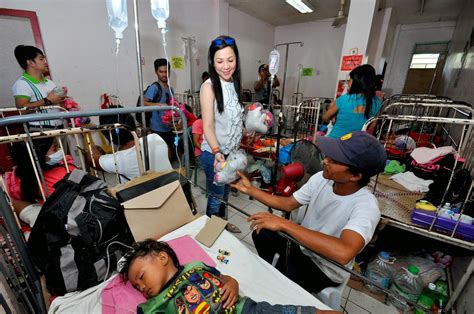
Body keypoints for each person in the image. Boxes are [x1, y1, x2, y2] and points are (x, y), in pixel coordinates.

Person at [231, 131, 387, 293]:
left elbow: (344, 252)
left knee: (281, 282)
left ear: (355, 176)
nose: (325, 160)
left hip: (324, 267)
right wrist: (250, 190)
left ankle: (278, 282)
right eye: (328, 156)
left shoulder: (366, 206)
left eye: (334, 160)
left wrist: (284, 224)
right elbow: (288, 204)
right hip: (303, 245)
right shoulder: (321, 178)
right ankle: (275, 272)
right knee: (261, 231)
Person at [119, 239, 337, 313]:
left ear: (162, 258)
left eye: (141, 276)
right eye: (137, 287)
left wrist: (232, 282)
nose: (141, 287)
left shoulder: (194, 266)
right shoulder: (153, 305)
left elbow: (222, 277)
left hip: (246, 310)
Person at [200, 35, 244, 233]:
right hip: (214, 155)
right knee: (216, 198)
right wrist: (217, 151)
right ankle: (211, 233)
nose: (226, 66)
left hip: (231, 155)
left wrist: (244, 130)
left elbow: (232, 119)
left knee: (225, 194)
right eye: (219, 61)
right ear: (212, 62)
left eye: (230, 60)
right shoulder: (208, 87)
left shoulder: (234, 83)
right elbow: (207, 126)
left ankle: (223, 225)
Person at [86, 108, 171, 183]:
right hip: (173, 190)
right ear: (133, 125)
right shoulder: (156, 138)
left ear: (107, 135)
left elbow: (91, 160)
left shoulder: (117, 160)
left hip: (142, 198)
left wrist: (94, 147)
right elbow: (169, 157)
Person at [5, 137, 76, 227]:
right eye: (55, 149)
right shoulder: (63, 170)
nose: (60, 151)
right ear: (39, 153)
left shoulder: (23, 177)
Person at [12, 45, 67, 129]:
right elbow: (21, 110)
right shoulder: (22, 84)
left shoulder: (49, 82)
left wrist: (64, 102)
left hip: (59, 127)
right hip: (39, 130)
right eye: (41, 59)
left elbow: (57, 106)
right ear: (30, 62)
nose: (45, 62)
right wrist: (48, 100)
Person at [323, 64, 382, 138]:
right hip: (356, 144)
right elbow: (372, 125)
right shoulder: (377, 102)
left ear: (357, 82)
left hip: (336, 141)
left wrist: (333, 119)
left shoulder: (345, 99)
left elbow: (325, 117)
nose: (348, 83)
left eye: (350, 80)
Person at [144, 58, 175, 159]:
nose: (164, 74)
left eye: (166, 71)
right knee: (161, 155)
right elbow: (143, 103)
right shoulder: (154, 88)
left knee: (169, 154)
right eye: (161, 72)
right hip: (157, 128)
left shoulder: (170, 89)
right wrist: (159, 105)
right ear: (156, 72)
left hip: (168, 127)